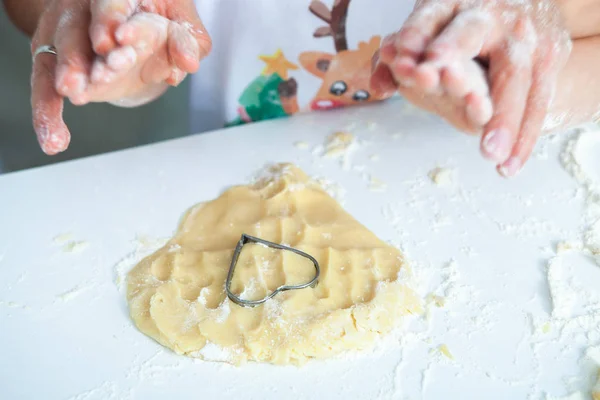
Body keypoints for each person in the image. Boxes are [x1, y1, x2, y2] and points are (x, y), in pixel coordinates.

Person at [3, 0, 600, 177]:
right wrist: (106, 42)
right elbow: (36, 9)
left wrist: (525, 90)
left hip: (502, 189)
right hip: (251, 168)